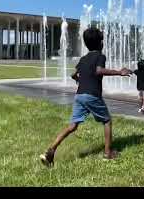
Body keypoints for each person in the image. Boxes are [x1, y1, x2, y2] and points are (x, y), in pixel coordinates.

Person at [40, 27, 132, 167]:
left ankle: (51, 150)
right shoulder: (100, 56)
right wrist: (120, 72)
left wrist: (78, 79)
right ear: (100, 43)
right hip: (92, 95)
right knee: (107, 121)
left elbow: (73, 75)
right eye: (102, 41)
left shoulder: (83, 58)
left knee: (72, 126)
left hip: (79, 95)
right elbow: (99, 70)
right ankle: (108, 153)